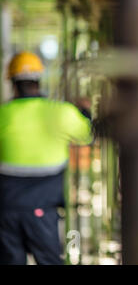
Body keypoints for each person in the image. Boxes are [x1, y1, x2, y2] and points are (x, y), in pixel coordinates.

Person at [0, 52, 92, 265]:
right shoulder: (59, 113)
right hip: (42, 208)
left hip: (5, 209)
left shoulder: (2, 114)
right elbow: (86, 134)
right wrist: (84, 112)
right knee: (49, 261)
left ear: (12, 83)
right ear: (38, 81)